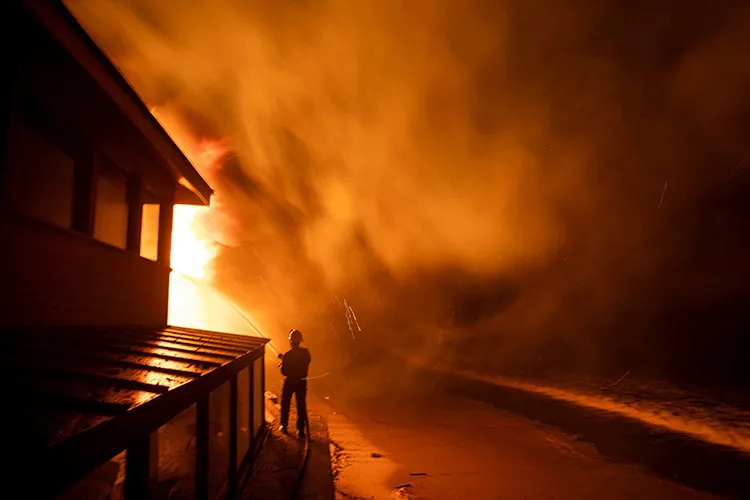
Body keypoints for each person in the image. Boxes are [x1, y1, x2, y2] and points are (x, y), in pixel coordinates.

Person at [279, 328, 311, 438]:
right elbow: (303, 365)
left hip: (290, 381)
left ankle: (284, 425)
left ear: (291, 341)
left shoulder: (287, 355)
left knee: (285, 403)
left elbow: (284, 371)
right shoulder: (306, 353)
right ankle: (300, 429)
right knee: (301, 404)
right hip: (301, 381)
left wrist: (283, 362)